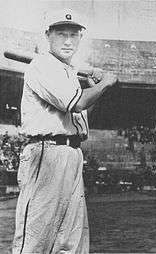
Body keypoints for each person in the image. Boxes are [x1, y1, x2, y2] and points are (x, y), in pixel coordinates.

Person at [12, 9, 118, 254]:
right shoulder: (42, 65)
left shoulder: (68, 72)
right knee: (36, 238)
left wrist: (96, 89)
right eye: (61, 34)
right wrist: (106, 83)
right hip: (46, 153)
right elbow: (76, 103)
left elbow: (79, 113)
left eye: (73, 34)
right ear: (48, 35)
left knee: (69, 241)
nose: (68, 41)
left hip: (72, 152)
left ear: (80, 38)